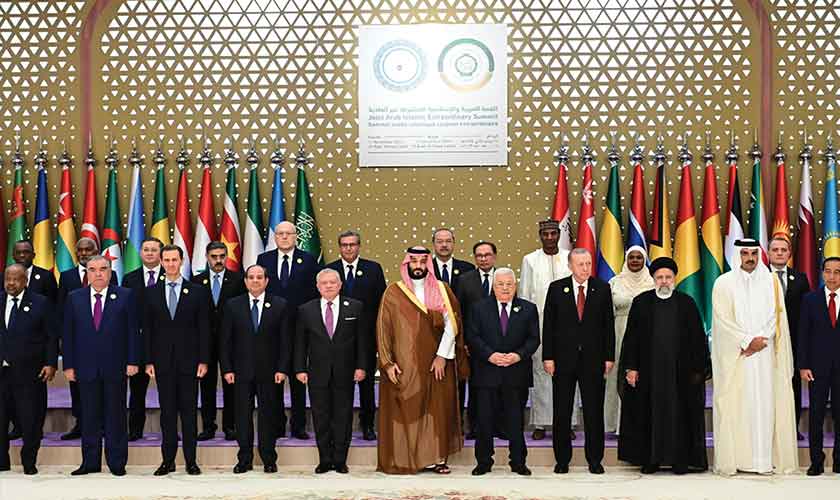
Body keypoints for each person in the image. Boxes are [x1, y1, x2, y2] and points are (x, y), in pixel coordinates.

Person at [376, 246, 469, 474]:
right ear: (406, 264)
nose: (418, 266)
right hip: (404, 363)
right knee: (408, 409)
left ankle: (437, 459)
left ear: (428, 264)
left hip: (436, 362)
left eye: (422, 262)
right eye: (413, 261)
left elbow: (452, 325)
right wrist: (387, 362)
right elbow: (383, 329)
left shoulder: (442, 289)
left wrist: (441, 356)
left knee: (437, 409)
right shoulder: (393, 292)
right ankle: (409, 459)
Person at [711, 238, 798, 475]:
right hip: (738, 356)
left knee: (765, 404)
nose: (750, 258)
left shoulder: (771, 282)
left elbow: (777, 316)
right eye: (745, 253)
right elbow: (721, 319)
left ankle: (763, 460)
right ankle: (740, 460)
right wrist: (746, 341)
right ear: (737, 255)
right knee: (738, 406)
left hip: (765, 356)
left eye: (753, 253)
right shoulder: (723, 283)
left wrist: (760, 340)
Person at [617, 257, 709, 474]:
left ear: (674, 279)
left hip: (680, 374)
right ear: (653, 279)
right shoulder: (641, 303)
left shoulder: (686, 303)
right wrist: (631, 367)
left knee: (679, 416)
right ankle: (651, 459)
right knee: (649, 414)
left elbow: (698, 339)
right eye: (660, 277)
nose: (664, 281)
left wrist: (698, 370)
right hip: (649, 373)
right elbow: (631, 339)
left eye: (668, 277)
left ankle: (680, 460)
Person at [62, 256, 140, 476]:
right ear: (86, 272)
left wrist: (133, 361)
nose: (98, 274)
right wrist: (69, 365)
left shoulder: (125, 295)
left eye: (103, 269)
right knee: (89, 416)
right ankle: (90, 462)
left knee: (116, 416)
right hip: (85, 367)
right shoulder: (74, 298)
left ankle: (117, 462)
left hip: (116, 366)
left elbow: (133, 331)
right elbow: (68, 334)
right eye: (93, 269)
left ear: (110, 272)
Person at [543, 248, 614, 474]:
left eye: (588, 263)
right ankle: (562, 460)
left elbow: (608, 325)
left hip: (593, 360)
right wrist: (548, 356)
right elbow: (549, 325)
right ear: (570, 266)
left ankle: (595, 460)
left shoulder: (602, 288)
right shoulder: (556, 289)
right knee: (562, 411)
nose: (585, 268)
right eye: (580, 264)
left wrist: (609, 356)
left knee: (594, 411)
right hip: (563, 360)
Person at [143, 245, 210, 476]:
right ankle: (168, 460)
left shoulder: (197, 291)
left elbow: (204, 328)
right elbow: (147, 330)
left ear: (182, 261)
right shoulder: (151, 292)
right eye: (167, 260)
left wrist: (203, 360)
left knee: (189, 413)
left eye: (175, 260)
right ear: (161, 262)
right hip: (162, 363)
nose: (171, 264)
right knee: (168, 413)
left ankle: (191, 461)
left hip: (190, 363)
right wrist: (148, 361)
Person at [467, 267, 539, 476]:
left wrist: (518, 355)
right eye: (500, 284)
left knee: (515, 421)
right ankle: (483, 462)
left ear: (515, 286)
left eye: (509, 284)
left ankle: (518, 462)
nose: (505, 288)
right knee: (484, 421)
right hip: (486, 372)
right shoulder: (478, 308)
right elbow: (472, 337)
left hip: (516, 373)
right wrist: (489, 355)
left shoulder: (528, 309)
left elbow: (534, 339)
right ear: (493, 286)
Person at [295, 268, 368, 474]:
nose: (328, 286)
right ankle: (325, 460)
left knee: (343, 417)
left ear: (340, 285)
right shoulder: (306, 310)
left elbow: (362, 341)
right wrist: (300, 369)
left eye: (332, 282)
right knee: (321, 417)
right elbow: (300, 343)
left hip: (346, 372)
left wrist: (361, 366)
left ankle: (340, 460)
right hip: (317, 373)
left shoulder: (355, 307)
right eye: (324, 283)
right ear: (318, 286)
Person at [220, 264, 288, 474]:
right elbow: (225, 341)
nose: (255, 281)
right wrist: (227, 369)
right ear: (245, 281)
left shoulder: (280, 304)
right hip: (240, 372)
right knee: (242, 417)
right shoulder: (233, 305)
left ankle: (269, 459)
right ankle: (244, 459)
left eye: (259, 277)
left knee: (268, 415)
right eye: (251, 277)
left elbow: (285, 341)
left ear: (266, 281)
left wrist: (282, 368)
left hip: (270, 372)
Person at [257, 221, 321, 439]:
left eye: (288, 233)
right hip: (271, 330)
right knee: (273, 379)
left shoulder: (309, 260)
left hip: (300, 328)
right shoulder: (263, 260)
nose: (284, 237)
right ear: (275, 237)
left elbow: (314, 294)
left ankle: (298, 425)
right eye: (280, 234)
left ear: (296, 237)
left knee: (298, 379)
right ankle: (277, 424)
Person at [326, 230, 385, 441]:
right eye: (344, 245)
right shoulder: (329, 270)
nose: (348, 248)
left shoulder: (373, 269)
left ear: (359, 246)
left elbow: (382, 303)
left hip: (365, 338)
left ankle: (367, 424)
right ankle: (341, 426)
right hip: (337, 339)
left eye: (352, 244)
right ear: (339, 247)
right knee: (340, 385)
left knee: (366, 384)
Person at [57, 237, 116, 441]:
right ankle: (80, 424)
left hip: (105, 345)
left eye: (88, 249)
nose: (83, 253)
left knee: (104, 388)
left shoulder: (110, 275)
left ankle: (103, 425)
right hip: (79, 344)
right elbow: (62, 311)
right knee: (78, 388)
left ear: (96, 251)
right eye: (80, 250)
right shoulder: (67, 276)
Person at [0, 264, 57, 475]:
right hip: (2, 373)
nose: (10, 283)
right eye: (7, 279)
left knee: (31, 419)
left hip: (30, 372)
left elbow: (51, 336)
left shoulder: (41, 302)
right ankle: (2, 461)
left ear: (25, 281)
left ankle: (29, 461)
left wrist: (50, 363)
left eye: (15, 279)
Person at [519, 219, 571, 441]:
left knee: (568, 372)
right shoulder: (530, 260)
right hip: (539, 325)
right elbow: (524, 296)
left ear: (559, 234)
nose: (549, 237)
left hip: (569, 327)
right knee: (540, 372)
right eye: (545, 234)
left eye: (553, 233)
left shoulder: (570, 257)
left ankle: (567, 422)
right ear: (540, 235)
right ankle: (540, 422)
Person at [192, 241, 246, 441]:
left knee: (231, 384)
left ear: (226, 256)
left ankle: (230, 426)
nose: (218, 260)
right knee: (206, 385)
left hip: (231, 341)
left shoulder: (238, 280)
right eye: (214, 257)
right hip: (204, 341)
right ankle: (208, 426)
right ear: (207, 257)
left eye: (222, 256)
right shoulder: (197, 281)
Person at [605, 246, 654, 434]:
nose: (635, 260)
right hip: (619, 333)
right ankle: (617, 425)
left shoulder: (652, 282)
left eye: (639, 257)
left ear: (644, 260)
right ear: (626, 260)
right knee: (618, 376)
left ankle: (642, 424)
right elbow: (606, 315)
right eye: (631, 257)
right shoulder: (614, 282)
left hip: (646, 335)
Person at [798, 257, 840, 476]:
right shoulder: (810, 300)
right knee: (816, 415)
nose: (832, 276)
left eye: (837, 272)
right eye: (828, 271)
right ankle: (816, 461)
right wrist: (803, 365)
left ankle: (839, 460)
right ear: (822, 273)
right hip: (816, 368)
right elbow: (803, 335)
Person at [120, 237, 164, 441]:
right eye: (146, 249)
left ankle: (169, 430)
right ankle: (135, 430)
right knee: (137, 392)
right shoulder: (130, 279)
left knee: (168, 391)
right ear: (140, 253)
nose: (149, 253)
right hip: (138, 343)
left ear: (160, 253)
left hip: (164, 342)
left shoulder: (170, 276)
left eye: (154, 250)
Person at [768, 236, 810, 440]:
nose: (779, 253)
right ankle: (768, 429)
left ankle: (792, 429)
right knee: (766, 386)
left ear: (789, 254)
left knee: (792, 386)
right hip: (765, 344)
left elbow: (807, 314)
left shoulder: (800, 279)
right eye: (775, 249)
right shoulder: (759, 278)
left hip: (793, 343)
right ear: (768, 253)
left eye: (783, 250)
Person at [457, 241, 499, 439]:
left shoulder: (503, 278)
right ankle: (474, 427)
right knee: (475, 387)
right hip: (473, 345)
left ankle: (498, 426)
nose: (483, 259)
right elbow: (459, 313)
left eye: (487, 255)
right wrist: (464, 342)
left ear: (494, 256)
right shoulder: (465, 280)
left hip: (500, 344)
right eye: (479, 255)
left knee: (498, 386)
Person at [431, 228, 474, 294]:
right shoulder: (427, 268)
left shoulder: (467, 269)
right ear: (433, 244)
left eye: (448, 241)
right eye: (440, 242)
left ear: (453, 243)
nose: (444, 245)